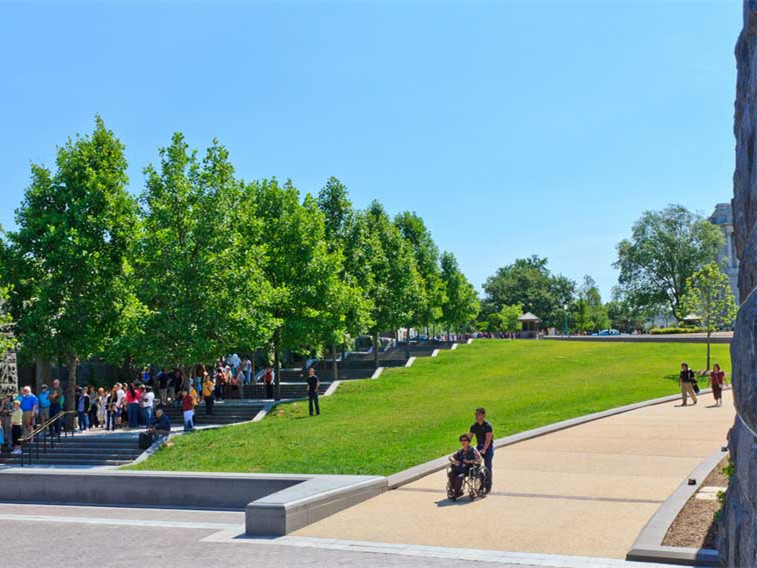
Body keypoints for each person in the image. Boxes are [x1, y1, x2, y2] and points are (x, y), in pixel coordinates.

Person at [448, 434, 483, 498]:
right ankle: (457, 491)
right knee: (451, 474)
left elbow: (479, 460)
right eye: (461, 440)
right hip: (459, 468)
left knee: (459, 477)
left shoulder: (473, 450)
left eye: (465, 440)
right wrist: (454, 461)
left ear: (468, 441)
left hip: (468, 469)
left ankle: (457, 493)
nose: (463, 442)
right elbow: (451, 457)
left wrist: (469, 461)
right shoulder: (460, 451)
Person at [468, 407, 493, 493]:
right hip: (479, 446)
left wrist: (484, 449)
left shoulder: (488, 426)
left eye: (478, 414)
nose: (476, 416)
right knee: (476, 465)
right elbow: (469, 437)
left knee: (488, 466)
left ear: (483, 415)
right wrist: (465, 446)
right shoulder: (474, 426)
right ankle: (480, 483)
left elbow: (488, 439)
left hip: (488, 447)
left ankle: (488, 485)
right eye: (475, 414)